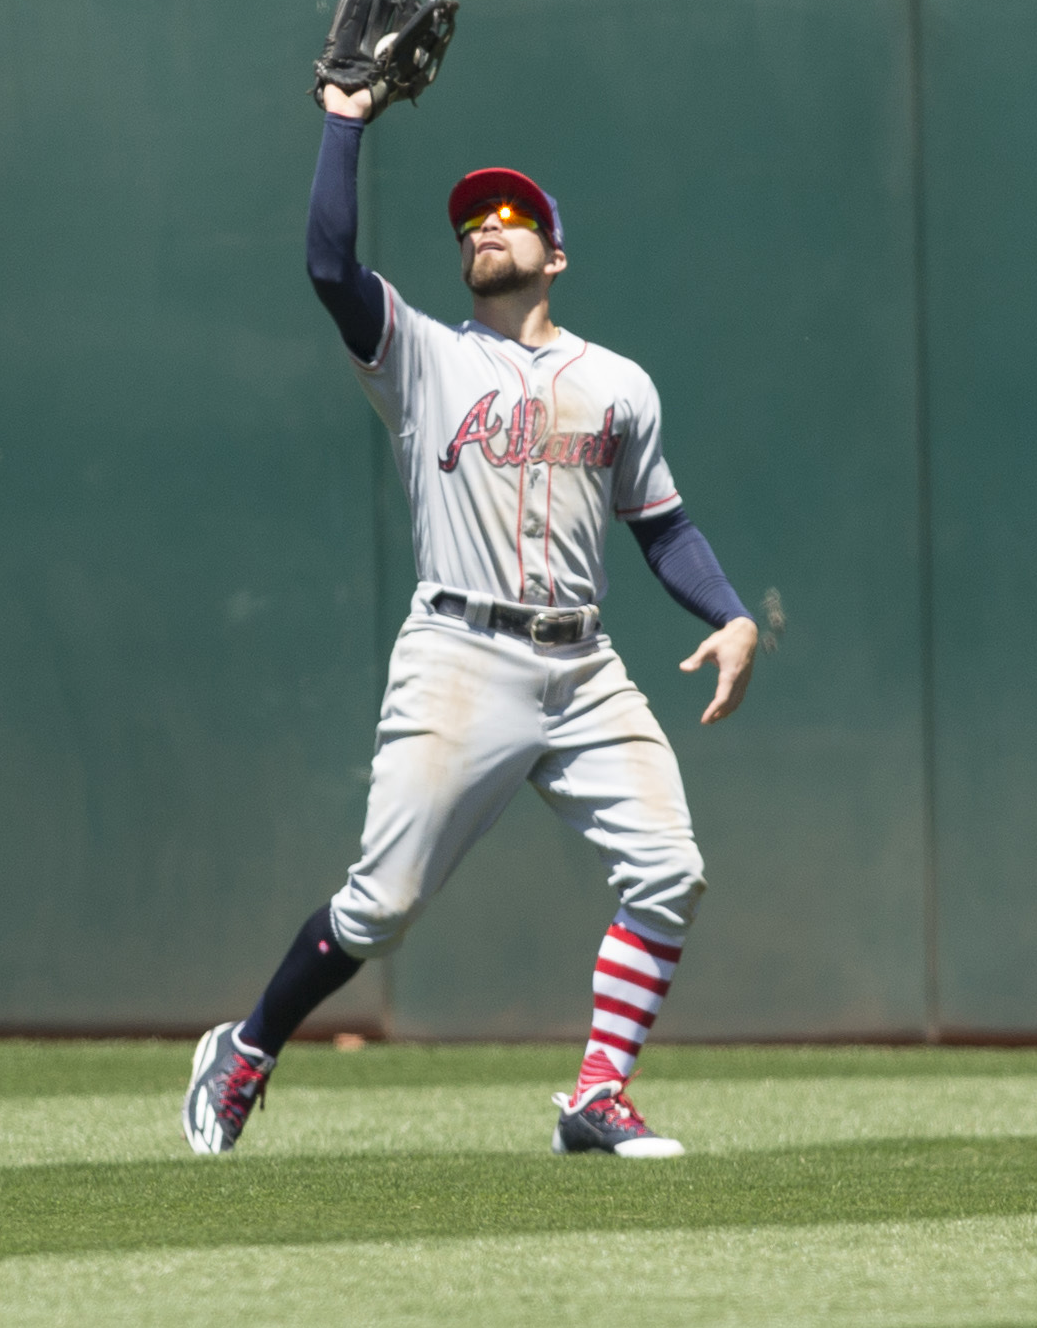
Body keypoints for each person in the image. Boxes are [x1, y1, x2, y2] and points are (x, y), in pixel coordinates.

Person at [182, 81, 759, 1159]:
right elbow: (324, 266)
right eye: (470, 223)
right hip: (459, 652)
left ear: (556, 253)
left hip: (583, 663)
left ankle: (596, 1096)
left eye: (509, 216)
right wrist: (345, 118)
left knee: (669, 868)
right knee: (379, 908)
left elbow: (664, 526)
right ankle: (249, 1045)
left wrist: (728, 615)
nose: (485, 227)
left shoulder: (620, 383)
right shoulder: (422, 356)